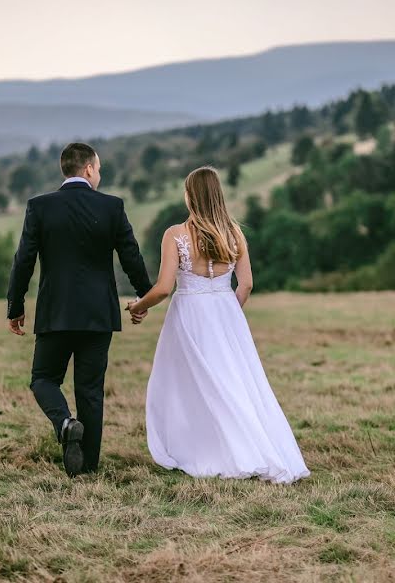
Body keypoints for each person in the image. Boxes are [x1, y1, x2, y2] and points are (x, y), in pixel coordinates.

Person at [126, 166, 310, 484]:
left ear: (190, 195)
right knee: (234, 382)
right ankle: (249, 447)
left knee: (186, 384)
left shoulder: (175, 235)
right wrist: (227, 314)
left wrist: (137, 306)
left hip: (188, 315)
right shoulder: (235, 234)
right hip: (226, 315)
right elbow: (247, 284)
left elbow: (163, 288)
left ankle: (205, 448)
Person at [6, 142, 152, 477]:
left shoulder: (40, 207)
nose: (99, 174)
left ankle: (65, 422)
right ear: (88, 169)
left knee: (43, 378)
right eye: (98, 169)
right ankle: (86, 468)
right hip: (99, 315)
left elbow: (23, 261)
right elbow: (132, 257)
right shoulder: (112, 207)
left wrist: (15, 306)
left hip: (55, 312)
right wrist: (144, 297)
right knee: (90, 390)